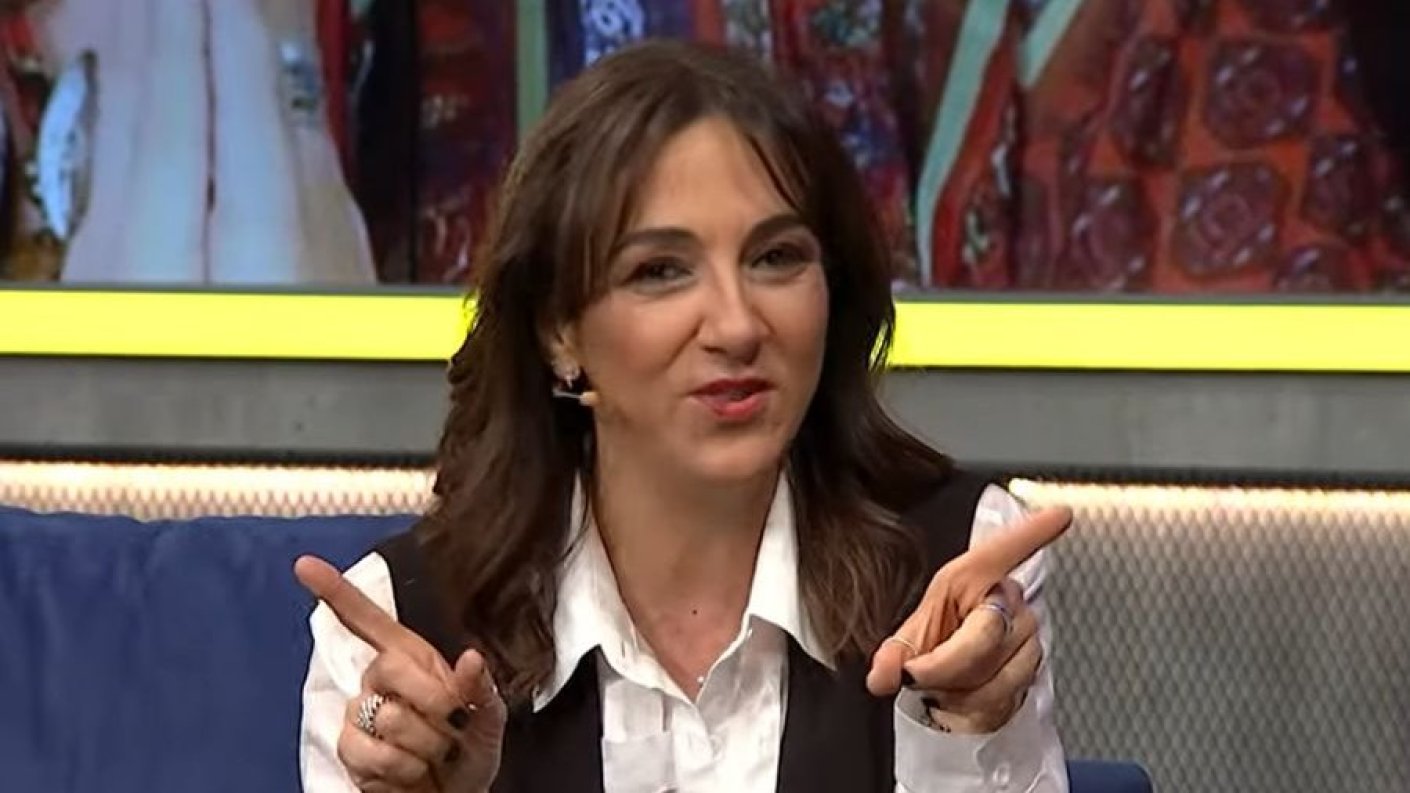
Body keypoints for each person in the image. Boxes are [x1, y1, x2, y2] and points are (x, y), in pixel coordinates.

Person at [296, 39, 1073, 793]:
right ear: (559, 331)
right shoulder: (399, 633)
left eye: (776, 257)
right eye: (661, 270)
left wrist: (967, 731)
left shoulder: (959, 570)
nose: (736, 325)